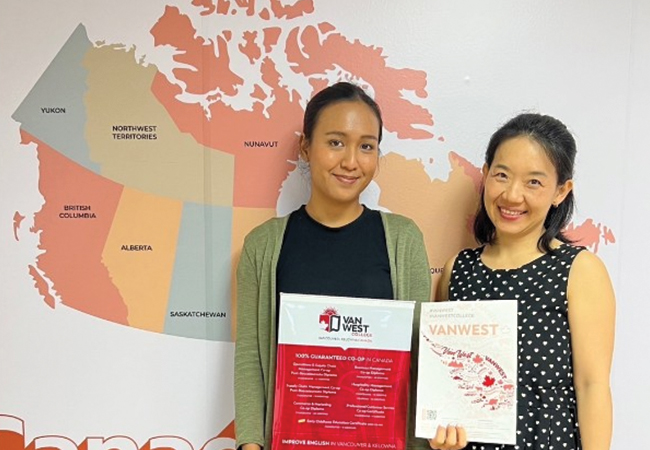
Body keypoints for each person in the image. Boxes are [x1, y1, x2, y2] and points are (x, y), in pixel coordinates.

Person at [234, 81, 432, 450]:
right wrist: (250, 444)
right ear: (306, 147)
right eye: (336, 142)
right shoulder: (262, 246)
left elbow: (421, 358)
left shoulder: (404, 241)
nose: (351, 162)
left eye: (366, 146)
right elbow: (250, 359)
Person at [431, 113, 616, 450]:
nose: (512, 195)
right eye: (501, 175)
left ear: (561, 191)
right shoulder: (458, 270)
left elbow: (593, 387)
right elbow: (448, 385)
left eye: (533, 182)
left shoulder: (580, 270)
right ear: (486, 174)